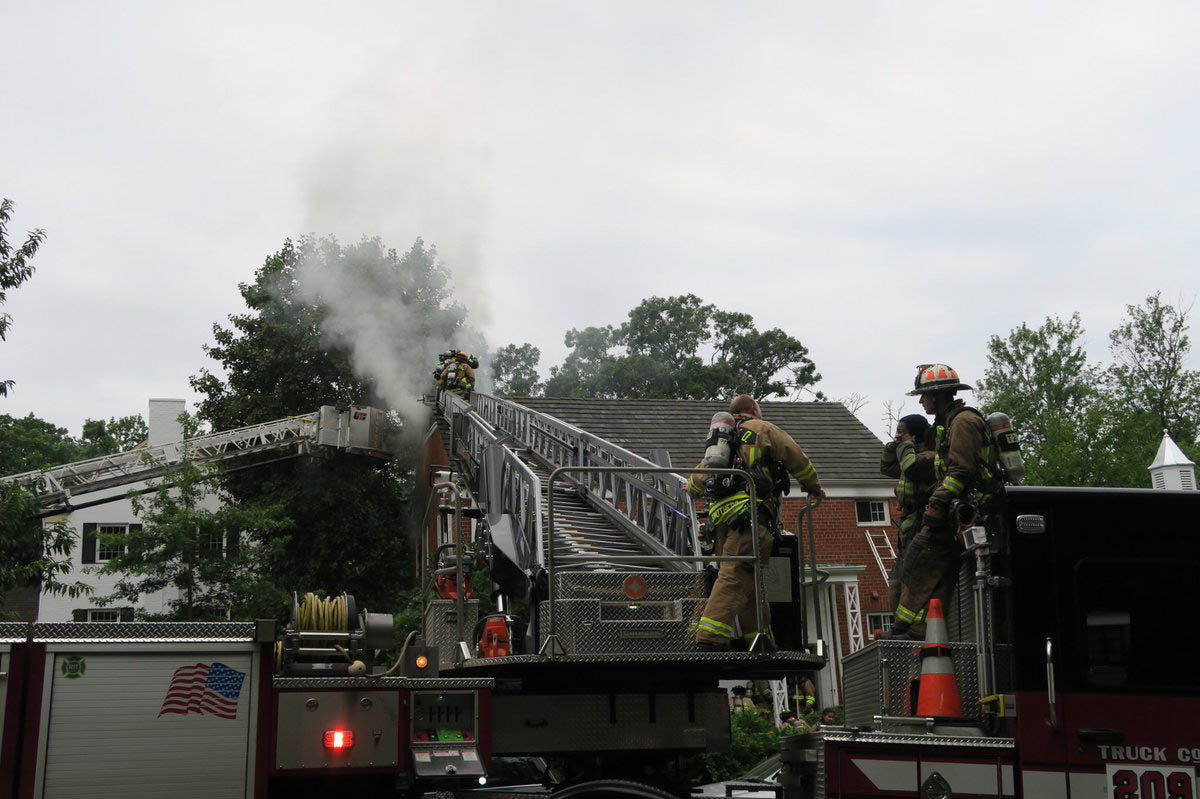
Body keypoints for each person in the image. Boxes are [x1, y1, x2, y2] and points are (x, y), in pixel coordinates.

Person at [688, 395, 825, 651]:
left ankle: (759, 639)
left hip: (721, 522)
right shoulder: (762, 429)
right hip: (749, 517)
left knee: (748, 579)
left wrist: (692, 487)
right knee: (734, 577)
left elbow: (697, 480)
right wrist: (813, 486)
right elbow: (796, 457)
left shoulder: (722, 442)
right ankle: (710, 637)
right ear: (753, 410)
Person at [887, 364, 1002, 639]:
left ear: (938, 395)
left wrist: (936, 504)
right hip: (958, 510)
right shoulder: (947, 425)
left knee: (919, 558)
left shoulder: (962, 422)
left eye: (924, 396)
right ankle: (918, 629)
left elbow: (960, 471)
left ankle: (909, 628)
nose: (921, 402)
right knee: (937, 570)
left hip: (967, 510)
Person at [879, 413, 936, 636]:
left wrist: (905, 446)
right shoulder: (907, 455)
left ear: (915, 436)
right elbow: (886, 468)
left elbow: (911, 467)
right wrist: (893, 446)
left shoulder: (930, 458)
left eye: (901, 432)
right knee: (896, 582)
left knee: (914, 579)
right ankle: (899, 628)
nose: (897, 435)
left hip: (922, 526)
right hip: (908, 528)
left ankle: (918, 630)